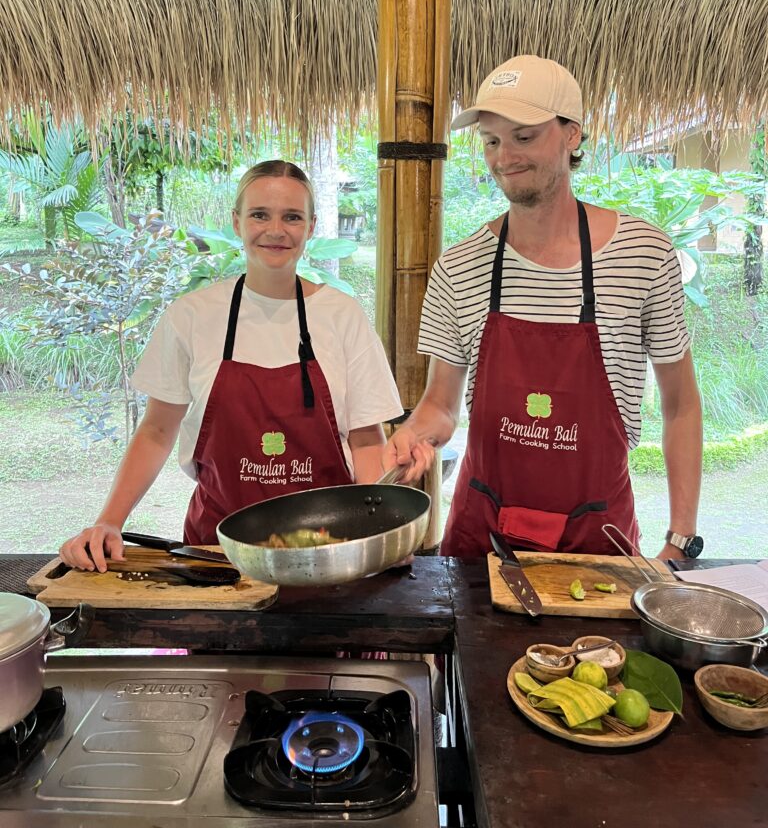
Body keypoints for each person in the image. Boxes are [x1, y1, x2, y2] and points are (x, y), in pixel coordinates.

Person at [384, 55, 703, 562]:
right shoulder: (459, 267)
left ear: (572, 134)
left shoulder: (643, 253)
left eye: (524, 136)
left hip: (598, 538)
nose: (504, 157)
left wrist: (681, 538)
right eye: (491, 140)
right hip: (481, 542)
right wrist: (412, 436)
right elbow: (440, 405)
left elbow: (681, 404)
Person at [60, 159, 403, 572]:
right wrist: (109, 521)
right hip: (217, 553)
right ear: (237, 221)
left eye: (292, 217)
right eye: (260, 214)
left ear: (311, 227)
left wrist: (378, 531)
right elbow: (156, 431)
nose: (275, 230)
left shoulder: (342, 316)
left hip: (328, 552)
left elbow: (367, 441)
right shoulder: (192, 315)